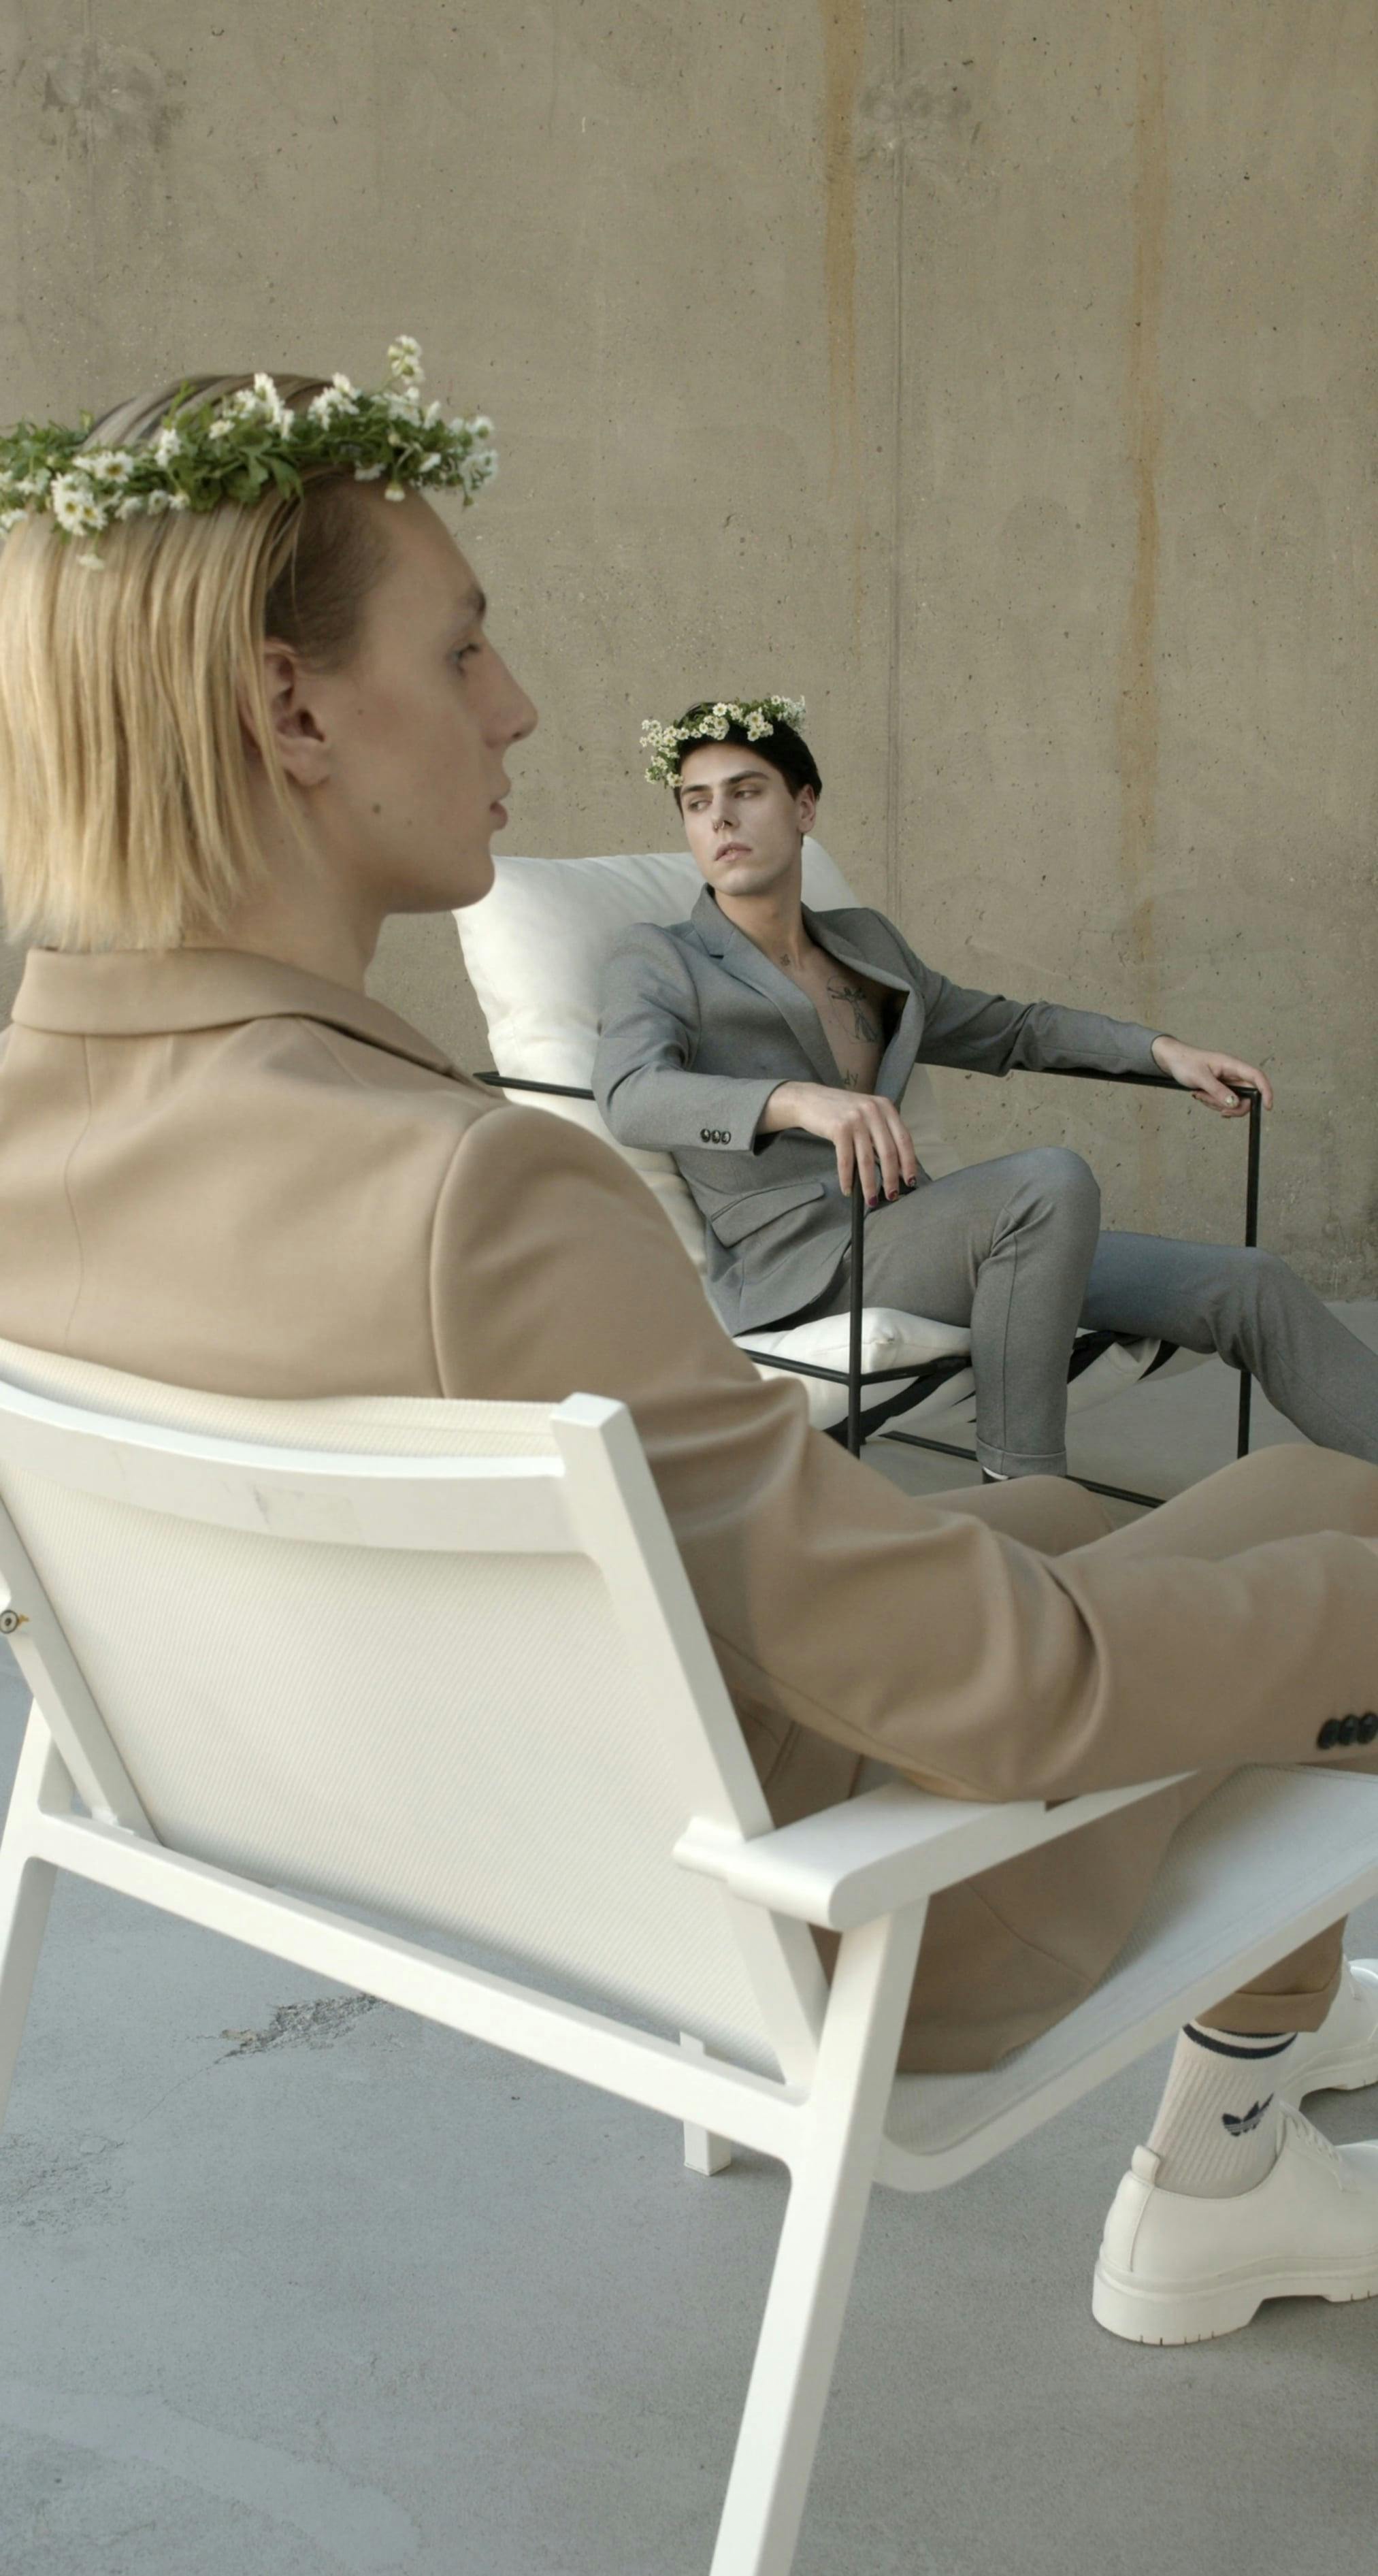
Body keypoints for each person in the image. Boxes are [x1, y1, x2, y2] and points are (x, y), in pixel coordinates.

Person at [1, 350, 1377, 2351]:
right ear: (292, 709)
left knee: (1076, 1509)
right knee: (1327, 1511)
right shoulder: (475, 1196)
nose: (516, 707)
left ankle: (1277, 2018)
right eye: (461, 648)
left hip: (500, 1852)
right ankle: (1224, 2180)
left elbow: (986, 1037)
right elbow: (1004, 1692)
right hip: (858, 1910)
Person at [597, 698, 1378, 1482]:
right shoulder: (663, 958)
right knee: (1048, 1183)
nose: (721, 818)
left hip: (928, 1240)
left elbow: (1011, 1029)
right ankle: (1024, 1491)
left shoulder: (866, 945)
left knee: (1249, 1284)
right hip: (806, 1270)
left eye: (746, 792)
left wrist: (1161, 1052)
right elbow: (631, 1094)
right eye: (697, 803)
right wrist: (796, 1099)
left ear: (804, 808)